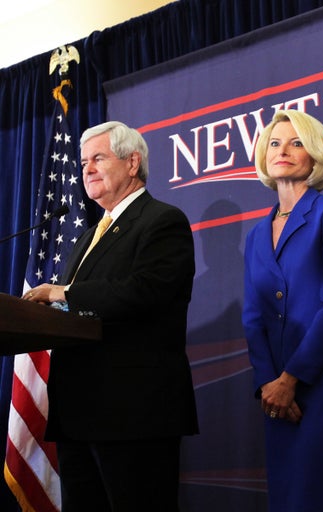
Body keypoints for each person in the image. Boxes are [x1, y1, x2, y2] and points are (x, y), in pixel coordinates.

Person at [22, 121, 198, 511]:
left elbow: (144, 292)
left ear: (132, 163)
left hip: (133, 413)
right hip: (78, 412)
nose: (87, 169)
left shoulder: (162, 221)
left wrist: (63, 292)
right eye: (84, 161)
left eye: (98, 158)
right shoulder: (88, 236)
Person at [243, 109, 323, 511]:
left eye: (297, 142)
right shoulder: (255, 234)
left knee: (315, 497)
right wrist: (268, 381)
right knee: (285, 498)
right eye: (275, 143)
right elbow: (252, 316)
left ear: (315, 156)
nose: (284, 150)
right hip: (275, 392)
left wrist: (290, 379)